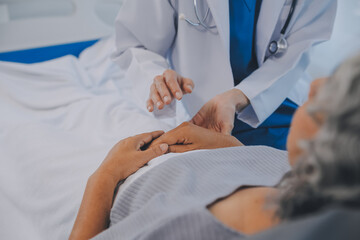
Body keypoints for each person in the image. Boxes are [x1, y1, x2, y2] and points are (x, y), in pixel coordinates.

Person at [69, 54, 360, 240]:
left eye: (339, 92)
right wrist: (232, 147)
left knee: (82, 100)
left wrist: (104, 178)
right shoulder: (320, 178)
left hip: (130, 171)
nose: (316, 85)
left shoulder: (187, 227)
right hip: (216, 150)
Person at [111, 0, 337, 150]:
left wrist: (240, 95)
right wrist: (159, 79)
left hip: (278, 98)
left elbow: (301, 44)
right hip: (201, 114)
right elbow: (135, 43)